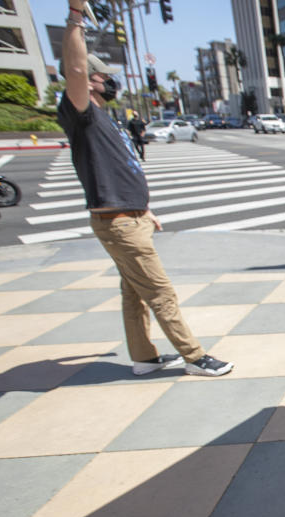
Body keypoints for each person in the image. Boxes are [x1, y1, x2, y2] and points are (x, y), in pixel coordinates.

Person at [58, 1, 232, 378]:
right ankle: (195, 356)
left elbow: (119, 170)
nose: (110, 82)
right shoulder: (81, 111)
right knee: (160, 292)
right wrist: (75, 17)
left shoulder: (101, 116)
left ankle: (144, 358)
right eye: (104, 77)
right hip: (118, 223)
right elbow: (73, 67)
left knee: (134, 293)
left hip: (127, 217)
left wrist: (142, 208)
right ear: (87, 81)